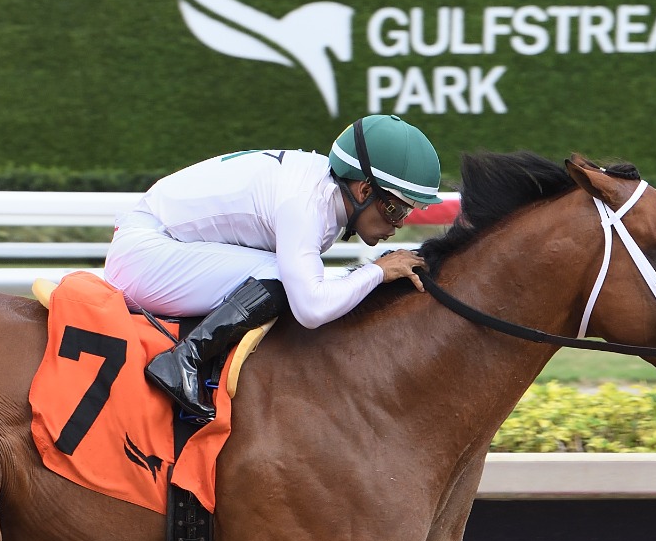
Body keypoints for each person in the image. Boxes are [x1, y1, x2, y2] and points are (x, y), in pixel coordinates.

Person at [102, 114, 442, 423]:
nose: (397, 225)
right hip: (145, 257)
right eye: (395, 209)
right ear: (364, 189)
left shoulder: (321, 191)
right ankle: (184, 359)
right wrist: (379, 271)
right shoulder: (306, 205)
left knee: (283, 274)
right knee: (281, 275)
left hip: (160, 245)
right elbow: (311, 308)